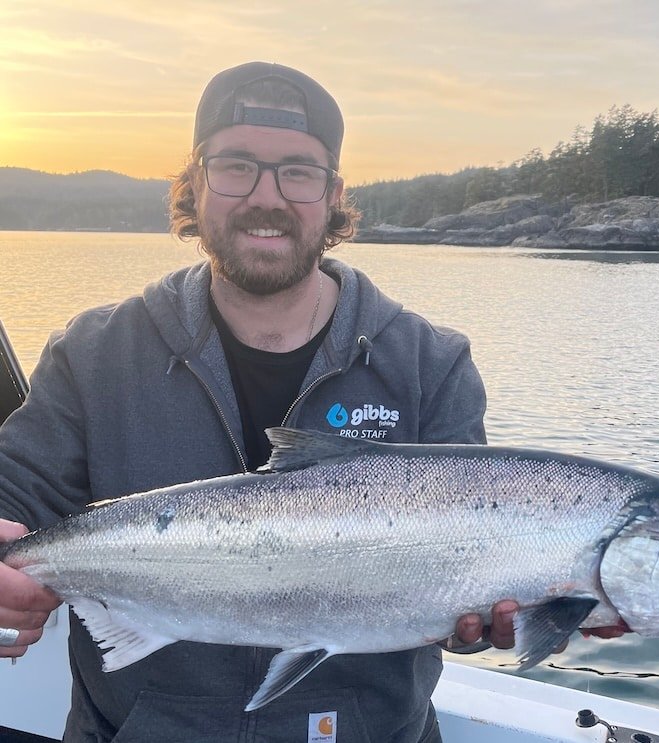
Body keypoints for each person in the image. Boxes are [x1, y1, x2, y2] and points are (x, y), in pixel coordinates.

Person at [0, 61, 521, 742]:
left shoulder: (430, 365)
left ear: (333, 195)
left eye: (297, 171)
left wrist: (493, 621)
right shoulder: (94, 352)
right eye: (236, 165)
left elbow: (473, 586)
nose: (266, 197)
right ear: (194, 184)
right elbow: (15, 494)